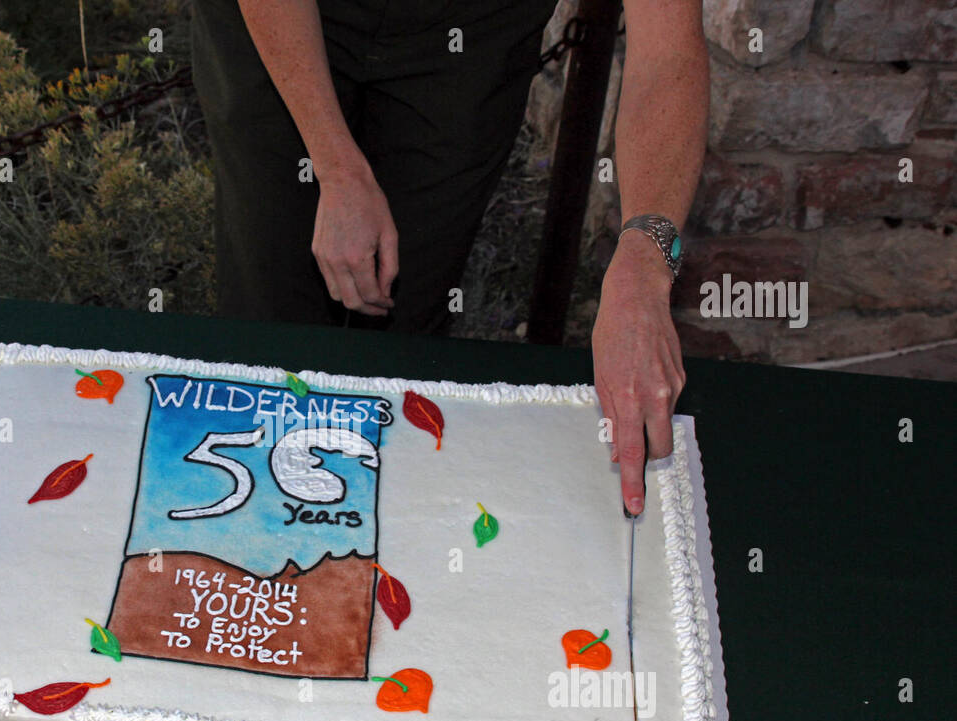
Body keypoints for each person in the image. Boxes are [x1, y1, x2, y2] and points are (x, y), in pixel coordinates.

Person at [191, 0, 707, 516]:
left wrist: (644, 268)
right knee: (271, 326)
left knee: (407, 322)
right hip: (288, 18)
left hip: (472, 35)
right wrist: (337, 169)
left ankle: (376, 550)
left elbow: (668, 54)